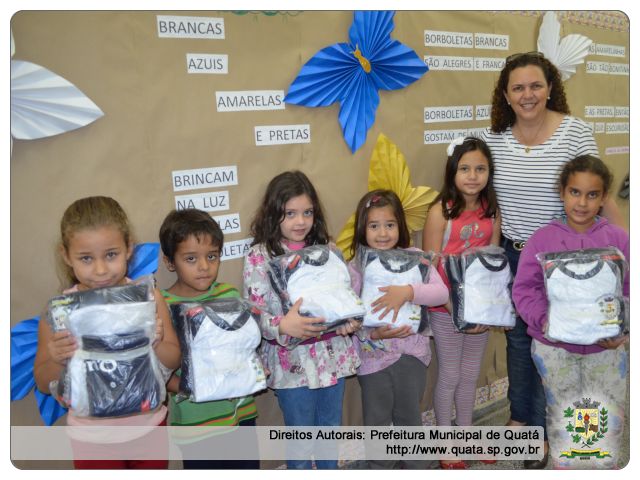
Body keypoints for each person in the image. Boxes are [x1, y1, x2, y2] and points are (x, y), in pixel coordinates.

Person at [481, 51, 624, 468]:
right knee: (521, 342)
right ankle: (524, 428)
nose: (528, 95)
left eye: (536, 85)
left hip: (570, 263)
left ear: (550, 88)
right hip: (514, 256)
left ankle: (562, 429)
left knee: (559, 344)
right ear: (505, 95)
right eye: (518, 88)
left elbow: (596, 190)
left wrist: (626, 250)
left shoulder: (575, 132)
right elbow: (492, 205)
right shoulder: (494, 138)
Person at [33, 196, 181, 469]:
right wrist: (56, 357)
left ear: (128, 249)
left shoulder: (149, 298)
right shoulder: (58, 312)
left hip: (148, 429)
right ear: (66, 255)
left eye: (111, 255)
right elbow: (43, 381)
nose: (100, 270)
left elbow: (173, 359)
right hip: (91, 438)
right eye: (86, 258)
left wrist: (157, 342)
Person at [512, 155, 629, 469]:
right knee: (564, 410)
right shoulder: (542, 239)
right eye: (575, 192)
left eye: (592, 195)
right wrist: (545, 321)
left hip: (606, 351)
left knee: (601, 412)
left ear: (604, 197)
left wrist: (624, 330)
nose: (582, 202)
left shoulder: (618, 240)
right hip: (554, 350)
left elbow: (630, 289)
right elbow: (525, 289)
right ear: (562, 192)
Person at [242, 170, 360, 469]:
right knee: (300, 440)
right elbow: (254, 313)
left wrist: (349, 322)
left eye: (307, 212)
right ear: (273, 213)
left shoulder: (328, 250)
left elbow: (343, 299)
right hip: (291, 365)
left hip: (331, 359)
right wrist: (281, 325)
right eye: (290, 213)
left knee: (329, 431)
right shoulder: (259, 255)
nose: (300, 221)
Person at [349, 189, 448, 469]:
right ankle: (380, 467)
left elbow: (440, 294)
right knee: (377, 420)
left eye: (390, 224)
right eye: (374, 225)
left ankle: (415, 467)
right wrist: (371, 334)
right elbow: (349, 314)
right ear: (362, 229)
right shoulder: (357, 266)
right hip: (372, 359)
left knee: (409, 417)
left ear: (400, 226)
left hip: (411, 355)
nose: (383, 233)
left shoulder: (416, 258)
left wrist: (407, 292)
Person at [159, 208, 260, 469]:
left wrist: (255, 368)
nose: (204, 267)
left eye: (212, 256)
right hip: (197, 423)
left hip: (241, 414)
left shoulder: (230, 293)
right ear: (171, 262)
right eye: (191, 258)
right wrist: (186, 386)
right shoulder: (164, 305)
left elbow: (244, 347)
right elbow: (159, 367)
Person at [422, 137, 501, 469]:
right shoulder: (440, 212)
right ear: (452, 172)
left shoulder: (492, 211)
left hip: (478, 309)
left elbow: (494, 263)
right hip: (446, 309)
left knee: (470, 374)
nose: (473, 176)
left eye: (480, 169)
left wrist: (487, 308)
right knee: (450, 374)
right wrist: (454, 307)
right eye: (465, 168)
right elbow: (430, 266)